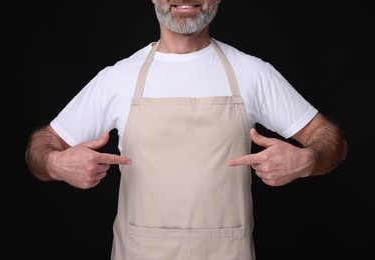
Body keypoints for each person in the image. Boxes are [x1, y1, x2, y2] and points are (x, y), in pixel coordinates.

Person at [25, 0, 348, 259]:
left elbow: (332, 141)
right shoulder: (118, 78)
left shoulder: (252, 73)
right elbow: (42, 146)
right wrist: (56, 164)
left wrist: (308, 161)